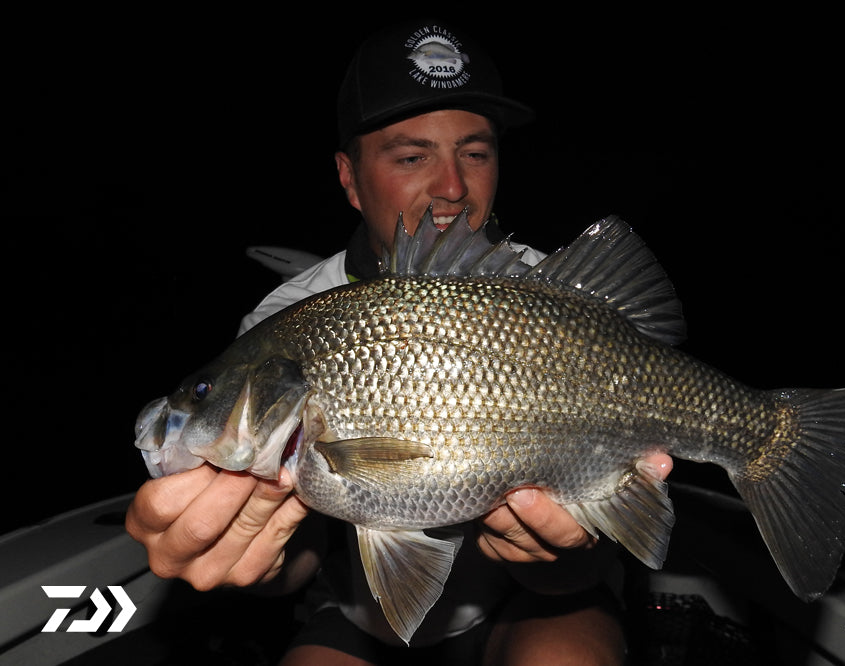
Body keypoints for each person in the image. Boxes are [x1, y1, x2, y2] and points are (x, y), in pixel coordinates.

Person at [126, 18, 673, 665]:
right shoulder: (285, 316)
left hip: (533, 603)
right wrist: (250, 553)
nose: (450, 186)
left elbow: (585, 561)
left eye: (475, 151)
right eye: (411, 156)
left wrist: (562, 561)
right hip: (360, 611)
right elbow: (299, 561)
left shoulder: (550, 295)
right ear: (349, 177)